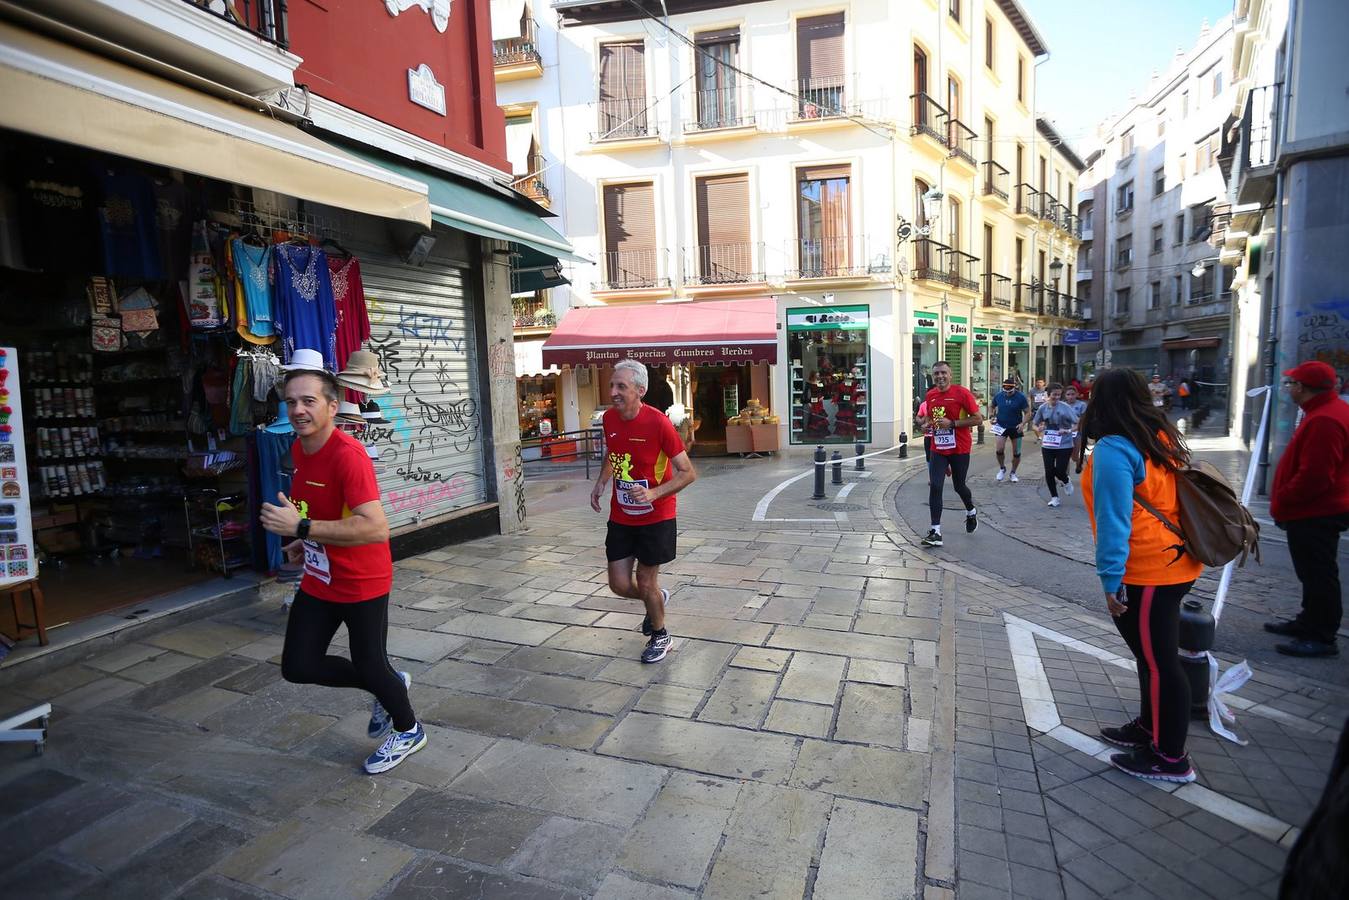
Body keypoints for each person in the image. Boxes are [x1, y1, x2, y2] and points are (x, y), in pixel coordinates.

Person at [260, 366, 424, 775]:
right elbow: (325, 512)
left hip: (361, 581)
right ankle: (390, 685)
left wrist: (300, 527)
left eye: (308, 400)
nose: (298, 409)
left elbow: (374, 526)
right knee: (298, 666)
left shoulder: (348, 456)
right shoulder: (298, 450)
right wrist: (306, 540)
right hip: (320, 576)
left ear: (332, 406)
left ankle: (408, 729)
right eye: (292, 401)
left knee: (369, 663)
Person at [1080, 368, 1202, 783]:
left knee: (1160, 663)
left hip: (1151, 569)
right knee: (1152, 659)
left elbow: (1115, 521)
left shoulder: (1115, 449)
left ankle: (1170, 758)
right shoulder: (1157, 436)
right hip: (1177, 562)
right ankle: (1149, 730)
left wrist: (1111, 581)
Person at [590, 359, 697, 664]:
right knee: (619, 584)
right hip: (622, 514)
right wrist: (601, 482)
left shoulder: (658, 423)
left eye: (621, 386)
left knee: (646, 580)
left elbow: (687, 472)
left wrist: (653, 492)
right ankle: (656, 602)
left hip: (656, 515)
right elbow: (614, 452)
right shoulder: (610, 419)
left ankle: (661, 635)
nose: (613, 391)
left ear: (640, 390)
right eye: (612, 385)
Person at [1265, 360, 1349, 658]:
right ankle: (1308, 621)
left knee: (1318, 573)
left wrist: (1285, 499)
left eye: (1292, 384)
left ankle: (1322, 635)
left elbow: (1315, 476)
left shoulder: (1325, 419)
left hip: (1316, 511)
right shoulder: (1324, 412)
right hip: (1314, 509)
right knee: (1311, 572)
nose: (1288, 388)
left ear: (1302, 388)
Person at [916, 360, 982, 547]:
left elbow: (978, 419)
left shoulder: (962, 393)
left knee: (959, 486)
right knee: (935, 486)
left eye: (943, 373)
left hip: (960, 448)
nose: (940, 377)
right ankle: (935, 531)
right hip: (938, 448)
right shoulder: (931, 395)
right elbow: (933, 418)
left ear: (950, 375)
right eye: (936, 373)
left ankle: (971, 511)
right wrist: (927, 424)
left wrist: (952, 424)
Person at [1033, 383, 1079, 507]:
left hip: (1064, 444)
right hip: (1048, 444)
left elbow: (1077, 424)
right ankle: (1054, 497)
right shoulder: (1043, 408)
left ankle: (1066, 480)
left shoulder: (1065, 407)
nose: (1057, 397)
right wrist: (1039, 428)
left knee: (1060, 470)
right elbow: (1034, 424)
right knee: (1048, 471)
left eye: (1059, 395)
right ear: (1048, 395)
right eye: (1054, 395)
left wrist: (1068, 430)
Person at [990, 378, 1030, 483]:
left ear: (1015, 387)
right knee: (999, 449)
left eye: (1010, 389)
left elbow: (1027, 412)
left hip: (1016, 427)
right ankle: (1002, 468)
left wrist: (1023, 423)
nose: (1007, 391)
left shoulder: (1021, 397)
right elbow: (992, 406)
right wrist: (991, 416)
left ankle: (1013, 472)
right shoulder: (998, 395)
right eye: (1005, 388)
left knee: (1016, 452)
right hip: (1001, 426)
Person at [1065, 385, 1089, 474]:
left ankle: (1078, 463)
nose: (1070, 396)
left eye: (1072, 394)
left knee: (1074, 456)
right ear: (1065, 395)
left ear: (1077, 394)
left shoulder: (1082, 405)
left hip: (1077, 433)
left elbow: (1083, 419)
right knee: (1065, 455)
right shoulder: (1063, 405)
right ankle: (1065, 476)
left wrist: (1078, 428)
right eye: (1068, 394)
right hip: (1065, 433)